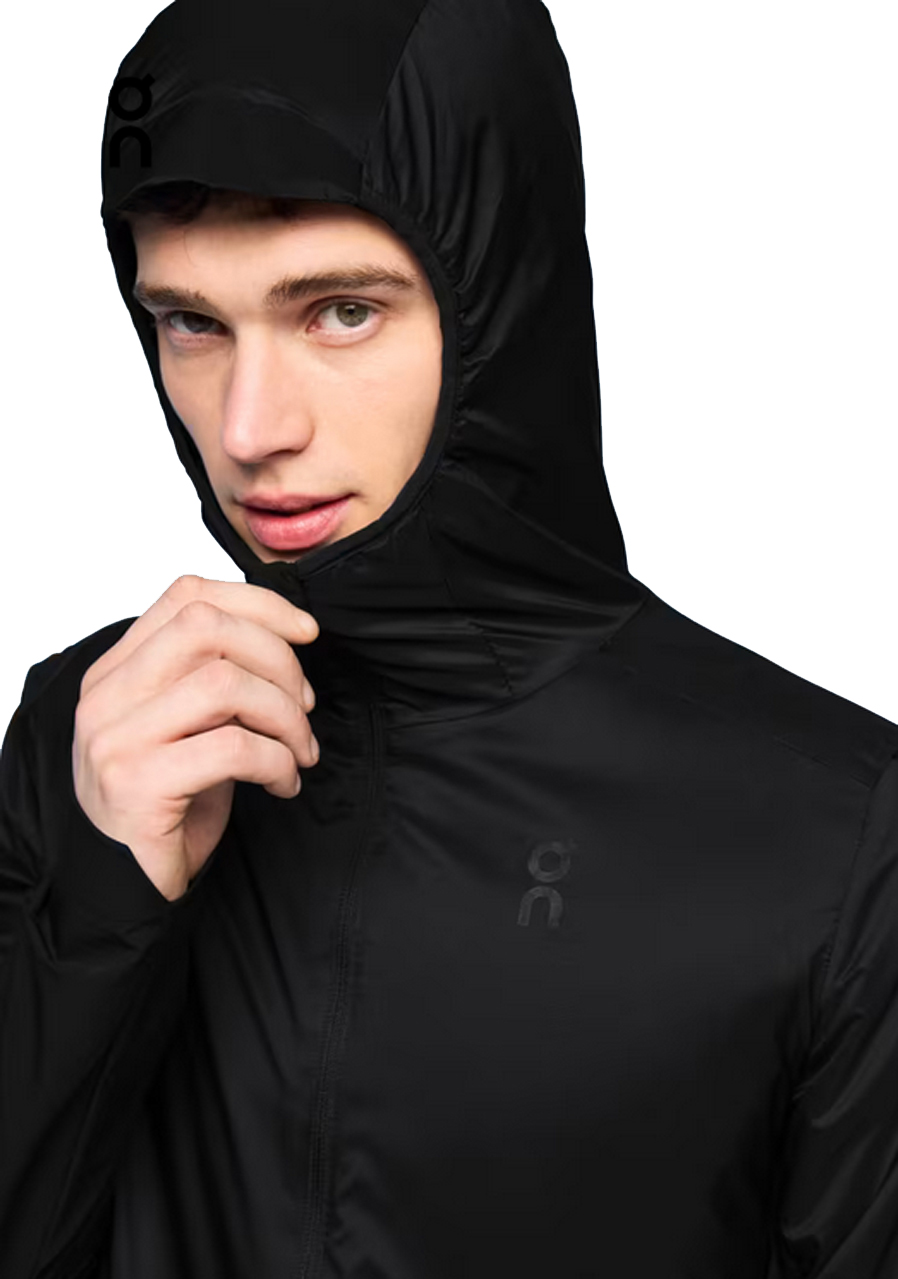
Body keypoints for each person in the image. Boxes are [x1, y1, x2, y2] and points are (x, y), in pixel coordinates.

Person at [1, 0, 897, 1276]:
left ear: (500, 302)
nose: (249, 428)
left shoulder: (841, 831)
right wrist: (97, 921)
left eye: (339, 312)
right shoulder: (89, 737)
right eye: (192, 322)